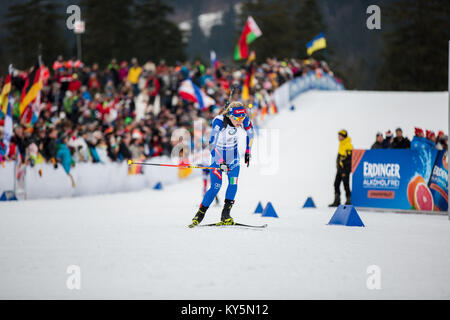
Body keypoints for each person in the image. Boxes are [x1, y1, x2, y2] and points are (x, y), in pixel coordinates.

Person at [189, 101, 254, 227]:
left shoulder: (243, 119)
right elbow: (212, 145)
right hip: (217, 156)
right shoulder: (219, 121)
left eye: (242, 118)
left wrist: (247, 151)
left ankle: (226, 214)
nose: (240, 121)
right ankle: (200, 213)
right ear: (230, 115)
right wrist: (220, 162)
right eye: (238, 118)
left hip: (233, 157)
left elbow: (251, 133)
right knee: (216, 187)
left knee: (233, 182)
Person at [329, 129, 353, 207]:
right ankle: (337, 200)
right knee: (336, 184)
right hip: (340, 169)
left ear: (343, 136)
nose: (339, 137)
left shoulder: (348, 145)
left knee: (346, 184)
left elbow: (349, 158)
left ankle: (349, 200)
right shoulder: (342, 144)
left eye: (340, 136)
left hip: (345, 169)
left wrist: (343, 164)